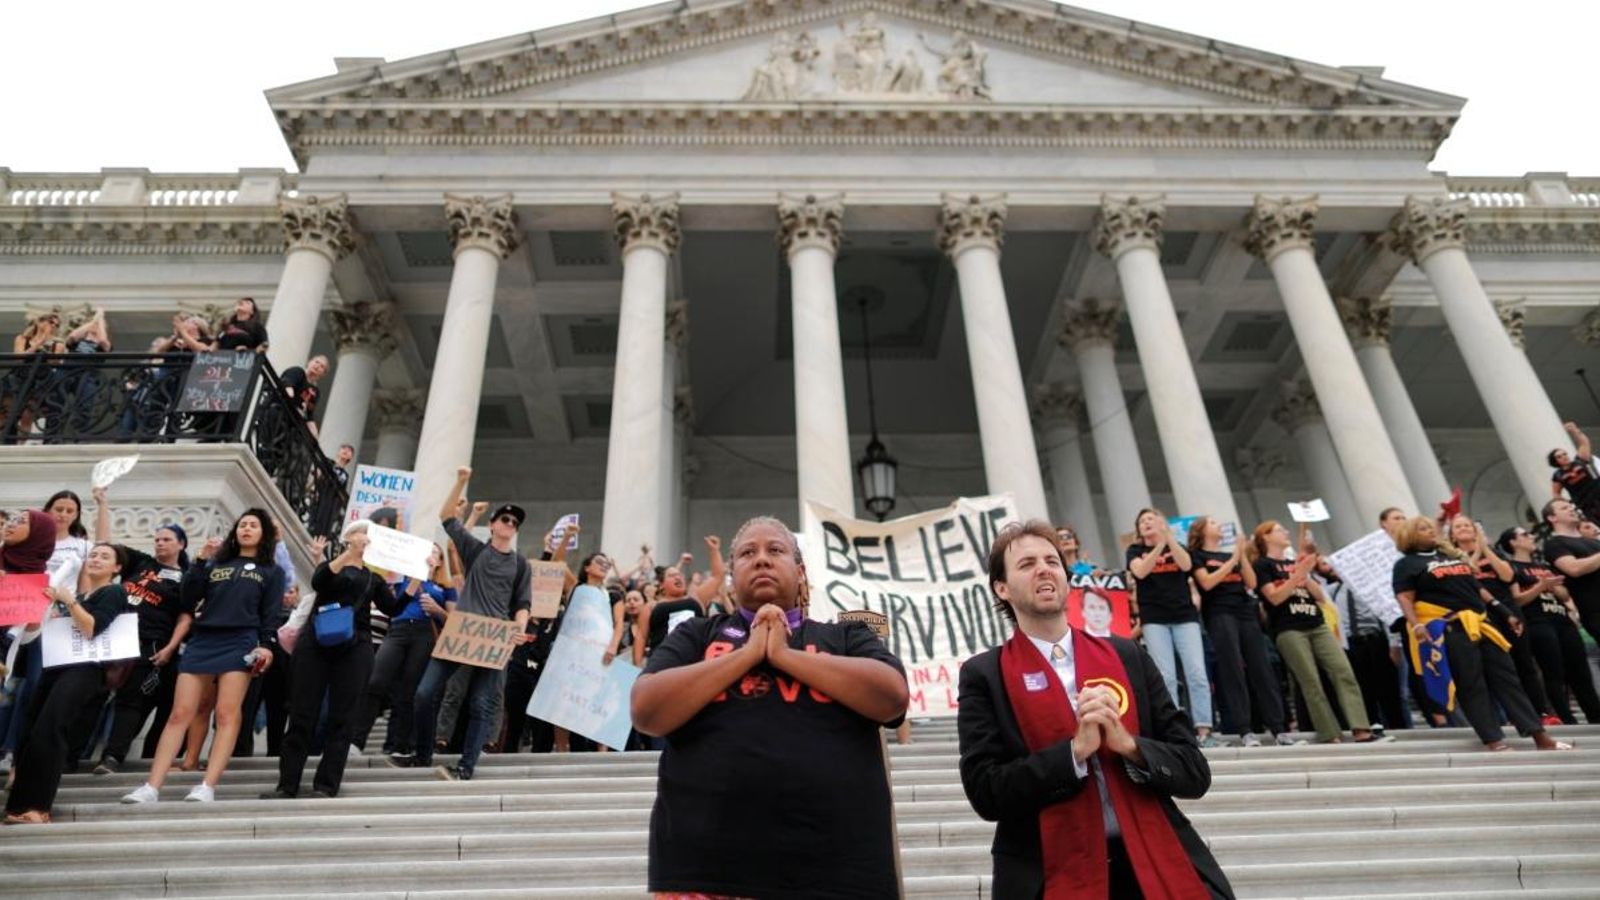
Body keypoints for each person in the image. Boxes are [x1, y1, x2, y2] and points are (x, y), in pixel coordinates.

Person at [632, 516, 908, 899]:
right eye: (748, 553)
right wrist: (747, 654)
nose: (762, 559)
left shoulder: (846, 636)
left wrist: (783, 655)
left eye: (776, 550)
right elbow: (646, 710)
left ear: (800, 571)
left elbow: (892, 697)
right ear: (732, 575)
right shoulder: (696, 635)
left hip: (840, 872)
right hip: (704, 873)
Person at [957, 520, 1233, 899]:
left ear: (1066, 577)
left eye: (1052, 561)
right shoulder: (984, 674)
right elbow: (986, 792)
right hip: (1049, 869)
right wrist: (1073, 754)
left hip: (1151, 858)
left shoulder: (1126, 655)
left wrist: (1129, 745)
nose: (1044, 569)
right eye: (1027, 564)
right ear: (1001, 588)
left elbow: (1194, 771)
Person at [122, 509, 284, 803]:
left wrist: (266, 645)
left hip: (240, 641)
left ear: (264, 534)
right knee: (180, 713)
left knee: (226, 713)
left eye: (253, 525)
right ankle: (151, 787)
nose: (246, 529)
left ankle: (207, 785)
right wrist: (199, 561)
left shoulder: (272, 570)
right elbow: (188, 598)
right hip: (203, 639)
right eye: (242, 524)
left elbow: (270, 613)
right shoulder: (217, 563)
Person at [389, 466, 531, 781]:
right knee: (424, 694)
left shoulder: (521, 565)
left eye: (514, 522)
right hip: (461, 632)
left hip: (493, 638)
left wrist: (519, 628)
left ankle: (466, 766)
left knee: (480, 703)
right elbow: (446, 517)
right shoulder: (476, 551)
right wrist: (461, 481)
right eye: (505, 519)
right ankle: (422, 755)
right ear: (492, 525)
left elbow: (523, 603)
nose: (510, 524)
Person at [1392, 515, 1569, 752]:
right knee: (1471, 684)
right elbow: (1405, 598)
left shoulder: (1449, 556)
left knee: (1508, 679)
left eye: (1430, 527)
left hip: (1481, 623)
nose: (1431, 531)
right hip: (1450, 627)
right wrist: (1416, 625)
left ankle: (1540, 736)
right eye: (1423, 529)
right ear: (1410, 535)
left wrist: (1505, 612)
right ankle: (1493, 739)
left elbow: (1477, 587)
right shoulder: (1406, 564)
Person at [264, 521, 402, 798]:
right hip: (316, 641)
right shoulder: (332, 566)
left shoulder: (373, 579)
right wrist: (348, 553)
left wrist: (415, 579)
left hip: (356, 646)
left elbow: (393, 608)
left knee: (343, 717)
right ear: (348, 538)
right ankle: (287, 783)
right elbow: (320, 582)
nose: (365, 538)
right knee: (302, 712)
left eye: (369, 535)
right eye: (360, 533)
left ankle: (326, 785)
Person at [4, 543, 130, 824]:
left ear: (117, 567)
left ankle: (38, 807)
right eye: (93, 555)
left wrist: (69, 602)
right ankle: (18, 806)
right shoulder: (82, 596)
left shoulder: (114, 592)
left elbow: (92, 628)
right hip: (58, 665)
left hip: (85, 670)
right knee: (30, 731)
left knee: (51, 729)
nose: (96, 559)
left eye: (105, 557)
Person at [88, 487, 191, 774]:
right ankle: (73, 755)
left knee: (130, 701)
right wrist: (103, 504)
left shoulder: (186, 578)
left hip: (148, 642)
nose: (160, 543)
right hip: (110, 635)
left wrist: (170, 648)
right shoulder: (141, 562)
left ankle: (112, 757)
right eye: (157, 539)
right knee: (90, 694)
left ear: (181, 544)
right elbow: (106, 545)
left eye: (166, 539)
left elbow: (185, 617)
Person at [1251, 521, 1383, 744]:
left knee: (1343, 672)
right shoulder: (1262, 565)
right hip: (1289, 627)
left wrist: (1305, 574)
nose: (1286, 532)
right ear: (1265, 537)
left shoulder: (1293, 562)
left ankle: (1361, 727)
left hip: (1316, 623)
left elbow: (1320, 596)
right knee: (1310, 681)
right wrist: (1296, 576)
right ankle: (1329, 733)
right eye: (1279, 530)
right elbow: (1274, 597)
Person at [1187, 517, 1289, 747]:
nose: (1218, 525)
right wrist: (1233, 558)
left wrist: (1240, 555)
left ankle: (1278, 728)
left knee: (1262, 668)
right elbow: (1207, 583)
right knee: (1232, 669)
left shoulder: (1231, 554)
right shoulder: (1198, 556)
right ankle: (1244, 729)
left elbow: (1251, 583)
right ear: (1201, 531)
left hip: (1245, 612)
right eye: (1212, 522)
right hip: (1219, 613)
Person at [349, 542, 453, 759]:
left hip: (424, 633)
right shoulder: (403, 577)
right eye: (426, 551)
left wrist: (437, 610)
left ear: (440, 561)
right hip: (398, 630)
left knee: (408, 690)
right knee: (375, 681)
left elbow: (453, 620)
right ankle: (356, 741)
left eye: (435, 552)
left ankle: (400, 744)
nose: (430, 555)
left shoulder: (445, 587)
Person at [1450, 514, 1553, 721]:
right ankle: (1516, 716)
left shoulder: (1494, 552)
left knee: (1525, 662)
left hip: (1508, 610)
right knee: (1500, 667)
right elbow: (1466, 576)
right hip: (1481, 615)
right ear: (1452, 535)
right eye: (1458, 526)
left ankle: (1542, 712)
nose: (1464, 529)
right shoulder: (1451, 559)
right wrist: (1477, 551)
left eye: (1467, 525)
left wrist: (1485, 549)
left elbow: (1507, 576)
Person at [1125, 509, 1214, 745]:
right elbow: (1140, 571)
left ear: (1162, 523)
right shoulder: (1135, 550)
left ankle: (1204, 728)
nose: (1146, 523)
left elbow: (1186, 565)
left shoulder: (1177, 547)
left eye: (1151, 519)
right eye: (1142, 521)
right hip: (1154, 618)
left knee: (1196, 673)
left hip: (1184, 616)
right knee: (1165, 676)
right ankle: (1174, 730)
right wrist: (1158, 547)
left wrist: (1169, 540)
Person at [1500, 526, 1600, 724]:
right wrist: (1540, 586)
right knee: (1553, 670)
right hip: (1537, 621)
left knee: (1580, 670)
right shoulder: (1511, 567)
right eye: (1525, 534)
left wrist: (1554, 587)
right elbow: (1516, 600)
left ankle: (1595, 715)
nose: (1531, 537)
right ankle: (1566, 718)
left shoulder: (1544, 565)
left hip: (1561, 618)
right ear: (1513, 542)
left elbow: (1564, 595)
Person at [1543, 498, 1600, 645]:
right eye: (1564, 508)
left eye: (1571, 506)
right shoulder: (1554, 544)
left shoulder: (1593, 542)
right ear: (1552, 518)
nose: (1572, 509)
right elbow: (1574, 569)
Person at [42, 489, 92, 592]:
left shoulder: (85, 546)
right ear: (48, 510)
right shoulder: (32, 542)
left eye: (69, 511)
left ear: (76, 515)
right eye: (59, 509)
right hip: (34, 598)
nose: (63, 515)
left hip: (66, 600)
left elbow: (85, 585)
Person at [1549, 423, 1599, 521]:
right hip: (1586, 504)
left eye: (1564, 454)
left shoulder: (1580, 460)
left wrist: (1575, 431)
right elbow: (1556, 493)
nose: (1564, 457)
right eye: (1559, 456)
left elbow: (1584, 443)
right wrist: (1567, 505)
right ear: (1555, 461)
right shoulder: (1558, 475)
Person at [278, 355, 327, 426]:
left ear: (323, 374)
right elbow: (287, 385)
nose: (317, 366)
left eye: (322, 366)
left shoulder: (315, 391)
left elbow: (309, 414)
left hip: (291, 423)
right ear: (309, 362)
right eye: (316, 362)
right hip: (279, 411)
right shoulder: (297, 372)